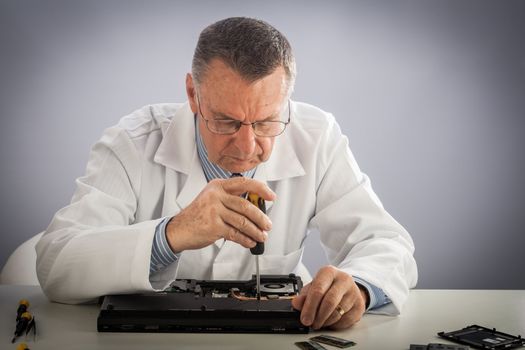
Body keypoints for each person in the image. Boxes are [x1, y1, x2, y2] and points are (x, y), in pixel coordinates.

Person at [36, 17, 417, 330]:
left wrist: (360, 289)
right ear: (192, 94)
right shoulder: (133, 142)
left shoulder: (318, 136)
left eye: (267, 121)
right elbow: (55, 264)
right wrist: (170, 235)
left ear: (286, 99)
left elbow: (385, 243)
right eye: (226, 121)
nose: (247, 147)